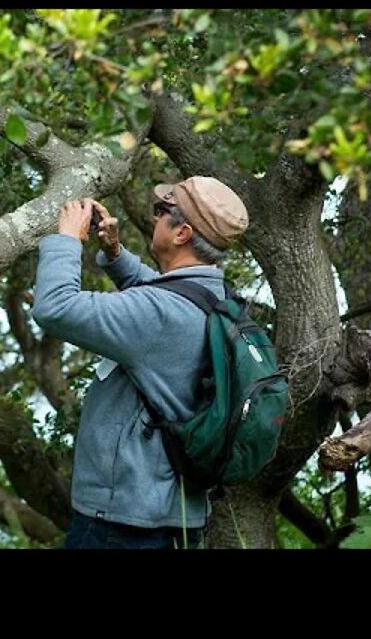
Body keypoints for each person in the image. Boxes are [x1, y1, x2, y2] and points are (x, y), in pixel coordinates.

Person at [31, 176, 249, 549]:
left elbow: (55, 308)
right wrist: (116, 256)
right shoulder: (218, 299)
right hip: (173, 515)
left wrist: (67, 240)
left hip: (120, 527)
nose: (154, 217)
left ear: (181, 233)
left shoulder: (160, 313)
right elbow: (165, 296)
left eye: (161, 211)